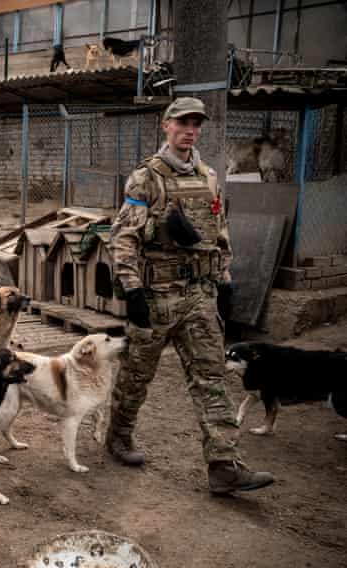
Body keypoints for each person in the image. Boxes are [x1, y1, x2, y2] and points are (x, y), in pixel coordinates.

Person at [106, 97, 275, 494]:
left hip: (199, 296)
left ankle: (223, 466)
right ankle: (118, 437)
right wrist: (132, 291)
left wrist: (226, 279)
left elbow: (220, 232)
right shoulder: (145, 178)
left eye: (196, 124)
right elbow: (122, 238)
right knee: (135, 377)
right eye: (183, 123)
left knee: (212, 378)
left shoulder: (209, 175)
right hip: (156, 296)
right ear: (166, 125)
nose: (190, 130)